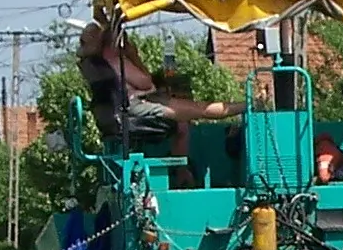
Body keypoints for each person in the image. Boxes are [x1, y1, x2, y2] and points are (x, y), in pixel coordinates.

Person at [77, 14, 239, 156]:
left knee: (183, 116)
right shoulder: (112, 60)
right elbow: (146, 83)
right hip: (131, 109)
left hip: (115, 114)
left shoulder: (89, 63)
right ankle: (247, 105)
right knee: (197, 110)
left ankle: (182, 169)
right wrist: (133, 55)